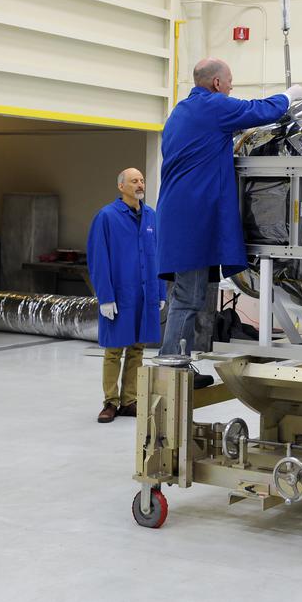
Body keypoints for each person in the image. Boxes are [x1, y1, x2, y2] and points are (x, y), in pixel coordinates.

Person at [157, 58, 302, 366]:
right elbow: (259, 110)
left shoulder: (182, 112)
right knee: (188, 298)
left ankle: (177, 362)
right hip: (193, 219)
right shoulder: (213, 107)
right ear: (217, 84)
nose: (232, 87)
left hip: (182, 215)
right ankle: (172, 365)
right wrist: (289, 96)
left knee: (188, 295)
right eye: (230, 81)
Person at [87, 168, 164, 424]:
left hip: (145, 293)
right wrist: (105, 297)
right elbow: (98, 259)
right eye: (134, 181)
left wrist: (160, 290)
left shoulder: (151, 216)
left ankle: (130, 400)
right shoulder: (107, 217)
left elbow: (158, 255)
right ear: (121, 186)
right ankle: (110, 402)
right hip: (120, 294)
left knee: (138, 348)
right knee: (113, 350)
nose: (140, 184)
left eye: (141, 180)